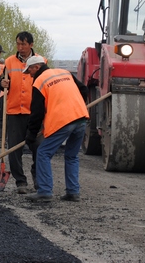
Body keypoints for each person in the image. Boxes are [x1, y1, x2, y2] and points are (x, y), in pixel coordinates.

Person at [23, 55, 89, 202]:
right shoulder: (64, 73)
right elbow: (84, 90)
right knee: (71, 156)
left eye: (30, 71)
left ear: (37, 67)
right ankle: (73, 192)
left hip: (63, 121)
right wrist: (77, 105)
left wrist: (31, 135)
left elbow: (37, 113)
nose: (30, 74)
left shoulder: (39, 82)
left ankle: (45, 191)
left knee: (43, 153)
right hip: (81, 118)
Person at [0, 31, 46, 194]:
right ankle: (21, 182)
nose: (20, 47)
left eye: (23, 44)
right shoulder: (9, 62)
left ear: (31, 45)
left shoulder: (41, 61)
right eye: (18, 44)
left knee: (38, 148)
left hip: (34, 112)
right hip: (14, 110)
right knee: (13, 149)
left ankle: (38, 179)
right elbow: (1, 80)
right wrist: (2, 83)